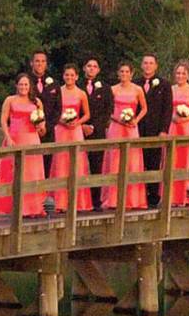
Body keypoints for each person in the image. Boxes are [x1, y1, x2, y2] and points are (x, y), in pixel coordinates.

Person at [0, 74, 47, 217]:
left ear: (30, 86)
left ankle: (33, 207)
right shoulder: (10, 100)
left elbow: (42, 123)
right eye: (21, 84)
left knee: (32, 174)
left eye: (26, 85)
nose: (23, 87)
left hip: (31, 138)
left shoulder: (37, 102)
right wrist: (8, 137)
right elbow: (3, 120)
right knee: (12, 173)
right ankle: (11, 206)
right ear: (16, 86)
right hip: (15, 138)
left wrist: (41, 128)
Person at [101, 62, 148, 210]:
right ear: (118, 73)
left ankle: (133, 199)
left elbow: (144, 108)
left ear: (132, 74)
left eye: (127, 72)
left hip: (131, 128)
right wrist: (118, 119)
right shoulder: (112, 89)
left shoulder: (138, 89)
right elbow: (107, 110)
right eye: (122, 72)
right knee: (114, 161)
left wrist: (135, 120)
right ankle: (112, 199)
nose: (124, 74)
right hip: (116, 127)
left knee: (132, 162)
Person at [50, 64, 93, 212]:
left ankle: (78, 202)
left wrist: (77, 123)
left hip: (75, 131)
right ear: (63, 76)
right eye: (66, 75)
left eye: (72, 75)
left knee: (77, 163)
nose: (69, 78)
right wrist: (62, 120)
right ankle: (60, 202)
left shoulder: (81, 93)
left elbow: (87, 114)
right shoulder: (57, 92)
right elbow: (53, 112)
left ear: (77, 77)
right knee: (61, 163)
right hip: (61, 130)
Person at [166, 61, 189, 206]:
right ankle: (171, 196)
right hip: (173, 126)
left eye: (183, 73)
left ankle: (187, 196)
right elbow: (166, 110)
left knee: (187, 160)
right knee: (172, 160)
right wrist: (172, 117)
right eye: (178, 73)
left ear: (188, 75)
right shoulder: (170, 89)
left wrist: (186, 118)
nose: (180, 76)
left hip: (187, 127)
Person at [137, 54, 171, 207]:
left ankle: (153, 196)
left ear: (156, 66)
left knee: (153, 163)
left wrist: (164, 129)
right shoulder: (135, 83)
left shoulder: (164, 85)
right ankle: (138, 195)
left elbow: (167, 109)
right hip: (138, 129)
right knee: (137, 162)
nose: (148, 66)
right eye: (145, 63)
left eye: (151, 63)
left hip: (156, 129)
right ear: (141, 65)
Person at [81, 57, 112, 209]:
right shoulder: (76, 85)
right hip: (78, 130)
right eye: (89, 65)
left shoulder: (105, 88)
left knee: (96, 165)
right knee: (78, 165)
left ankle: (95, 200)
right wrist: (82, 126)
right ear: (84, 68)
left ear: (98, 70)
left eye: (94, 66)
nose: (91, 68)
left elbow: (108, 111)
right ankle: (79, 199)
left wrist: (93, 126)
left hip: (97, 131)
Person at [29, 50, 60, 174]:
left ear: (46, 64)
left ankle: (43, 193)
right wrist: (36, 126)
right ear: (32, 63)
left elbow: (58, 109)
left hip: (48, 132)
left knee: (46, 166)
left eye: (43, 61)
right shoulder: (25, 82)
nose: (40, 64)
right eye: (37, 61)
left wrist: (47, 126)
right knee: (30, 167)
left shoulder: (54, 84)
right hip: (30, 131)